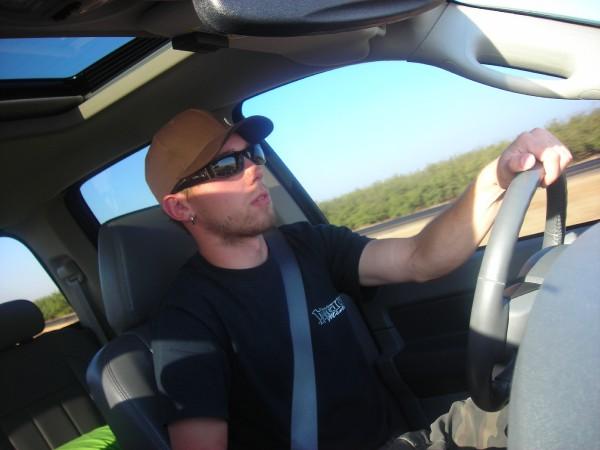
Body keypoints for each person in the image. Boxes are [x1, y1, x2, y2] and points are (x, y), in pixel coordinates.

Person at [146, 109, 572, 450]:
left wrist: (498, 177)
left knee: (557, 398)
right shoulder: (186, 323)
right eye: (226, 165)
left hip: (412, 440)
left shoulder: (308, 244)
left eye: (252, 154)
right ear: (181, 208)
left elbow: (419, 258)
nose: (254, 169)